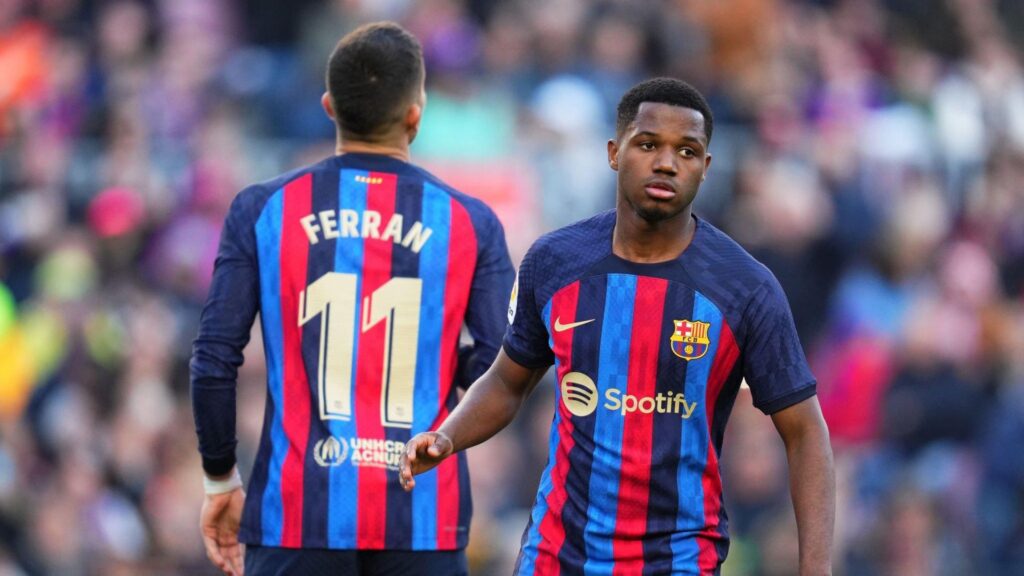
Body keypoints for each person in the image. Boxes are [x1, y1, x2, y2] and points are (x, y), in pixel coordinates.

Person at [401, 77, 835, 575]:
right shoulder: (555, 261)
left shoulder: (745, 288)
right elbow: (507, 380)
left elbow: (806, 433)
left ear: (706, 167)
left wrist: (816, 568)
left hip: (678, 559)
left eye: (687, 151)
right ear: (613, 152)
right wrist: (448, 436)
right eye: (648, 144)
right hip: (557, 555)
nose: (667, 163)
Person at [191, 22, 514, 576]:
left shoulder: (263, 209)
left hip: (295, 518)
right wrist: (438, 360)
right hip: (422, 521)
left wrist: (221, 478)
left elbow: (213, 359)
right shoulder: (471, 223)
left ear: (328, 107)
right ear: (417, 112)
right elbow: (503, 364)